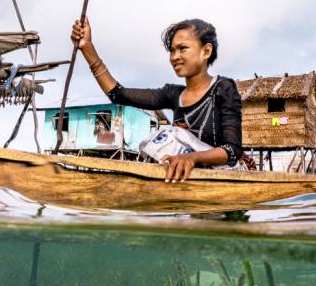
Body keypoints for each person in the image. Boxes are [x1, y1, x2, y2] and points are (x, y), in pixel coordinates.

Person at [70, 16, 242, 182]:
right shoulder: (172, 94)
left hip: (223, 172)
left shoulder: (223, 87)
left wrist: (190, 158)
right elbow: (117, 94)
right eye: (172, 51)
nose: (174, 57)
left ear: (206, 51)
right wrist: (87, 48)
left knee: (169, 134)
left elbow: (232, 151)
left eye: (183, 48)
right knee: (162, 137)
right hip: (186, 172)